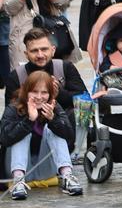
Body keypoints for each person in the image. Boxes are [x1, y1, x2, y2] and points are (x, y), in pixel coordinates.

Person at [0, 70, 82, 200]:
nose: (39, 97)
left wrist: (53, 120)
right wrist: (29, 121)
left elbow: (70, 138)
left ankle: (67, 176)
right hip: (17, 167)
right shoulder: (14, 107)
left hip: (45, 167)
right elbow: (4, 139)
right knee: (22, 132)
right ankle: (18, 182)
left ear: (50, 94)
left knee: (53, 129)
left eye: (44, 92)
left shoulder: (53, 107)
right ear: (26, 92)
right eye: (34, 91)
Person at [4, 28, 87, 119]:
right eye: (34, 51)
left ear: (53, 50)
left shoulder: (66, 67)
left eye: (44, 49)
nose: (40, 55)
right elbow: (9, 115)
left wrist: (59, 93)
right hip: (29, 125)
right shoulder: (16, 76)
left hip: (64, 124)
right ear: (26, 54)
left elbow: (85, 100)